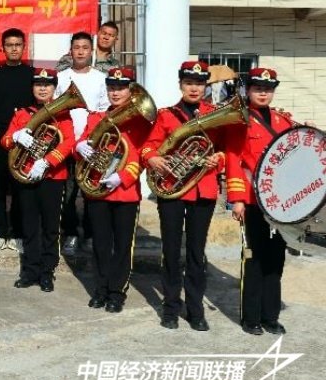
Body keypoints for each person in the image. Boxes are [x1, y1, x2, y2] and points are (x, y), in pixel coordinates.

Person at [142, 61, 225, 331]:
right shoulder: (166, 115)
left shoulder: (217, 115)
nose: (194, 88)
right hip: (172, 189)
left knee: (196, 253)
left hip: (203, 189)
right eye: (189, 83)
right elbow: (149, 147)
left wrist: (218, 159)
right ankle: (170, 308)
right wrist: (152, 159)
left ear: (205, 86)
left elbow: (227, 150)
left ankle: (196, 310)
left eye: (199, 83)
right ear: (181, 85)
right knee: (170, 250)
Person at [75, 67, 151, 313]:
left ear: (130, 91)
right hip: (97, 188)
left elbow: (142, 155)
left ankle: (117, 292)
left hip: (125, 192)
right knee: (100, 243)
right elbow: (84, 142)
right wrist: (80, 147)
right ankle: (100, 289)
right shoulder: (96, 118)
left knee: (122, 245)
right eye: (112, 88)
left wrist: (123, 176)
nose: (116, 93)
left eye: (121, 88)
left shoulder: (140, 121)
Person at [226, 68, 295, 336]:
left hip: (280, 205)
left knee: (276, 260)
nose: (263, 93)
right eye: (258, 88)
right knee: (253, 260)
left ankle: (270, 317)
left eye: (268, 89)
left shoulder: (284, 121)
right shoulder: (240, 120)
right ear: (249, 90)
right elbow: (234, 160)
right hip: (253, 202)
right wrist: (237, 200)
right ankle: (251, 318)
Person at [1, 68, 74, 291]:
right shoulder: (22, 114)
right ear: (32, 87)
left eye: (47, 85)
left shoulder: (63, 114)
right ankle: (30, 270)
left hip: (52, 177)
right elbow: (5, 140)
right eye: (38, 84)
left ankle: (47, 272)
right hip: (26, 177)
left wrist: (47, 161)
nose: (43, 89)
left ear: (54, 88)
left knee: (51, 227)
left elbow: (68, 143)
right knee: (29, 225)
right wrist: (15, 136)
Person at [55, 31, 109, 256]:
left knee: (91, 192)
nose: (80, 52)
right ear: (71, 51)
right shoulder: (61, 77)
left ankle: (89, 234)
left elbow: (105, 110)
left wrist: (94, 138)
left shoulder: (101, 78)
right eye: (76, 48)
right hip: (68, 143)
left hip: (92, 144)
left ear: (91, 51)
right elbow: (55, 109)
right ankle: (71, 233)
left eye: (85, 48)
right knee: (68, 193)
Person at [0, 28, 33, 254]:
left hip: (25, 140)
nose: (14, 49)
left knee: (21, 188)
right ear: (2, 48)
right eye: (10, 45)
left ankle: (18, 234)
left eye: (18, 45)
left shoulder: (32, 75)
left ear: (24, 47)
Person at [56, 21, 120, 74]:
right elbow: (59, 76)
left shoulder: (116, 66)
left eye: (111, 35)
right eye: (104, 33)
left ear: (116, 39)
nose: (106, 37)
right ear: (97, 34)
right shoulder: (75, 56)